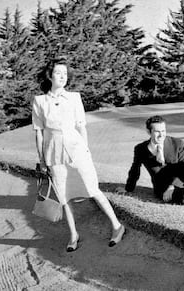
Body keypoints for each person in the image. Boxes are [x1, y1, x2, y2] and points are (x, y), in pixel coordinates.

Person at [32, 56, 126, 252]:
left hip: (77, 150)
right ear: (50, 76)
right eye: (58, 73)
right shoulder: (39, 101)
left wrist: (86, 150)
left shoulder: (74, 97)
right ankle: (73, 234)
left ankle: (117, 226)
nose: (62, 77)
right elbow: (39, 133)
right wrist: (41, 160)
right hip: (53, 153)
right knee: (64, 196)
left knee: (92, 189)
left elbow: (81, 127)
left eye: (65, 74)